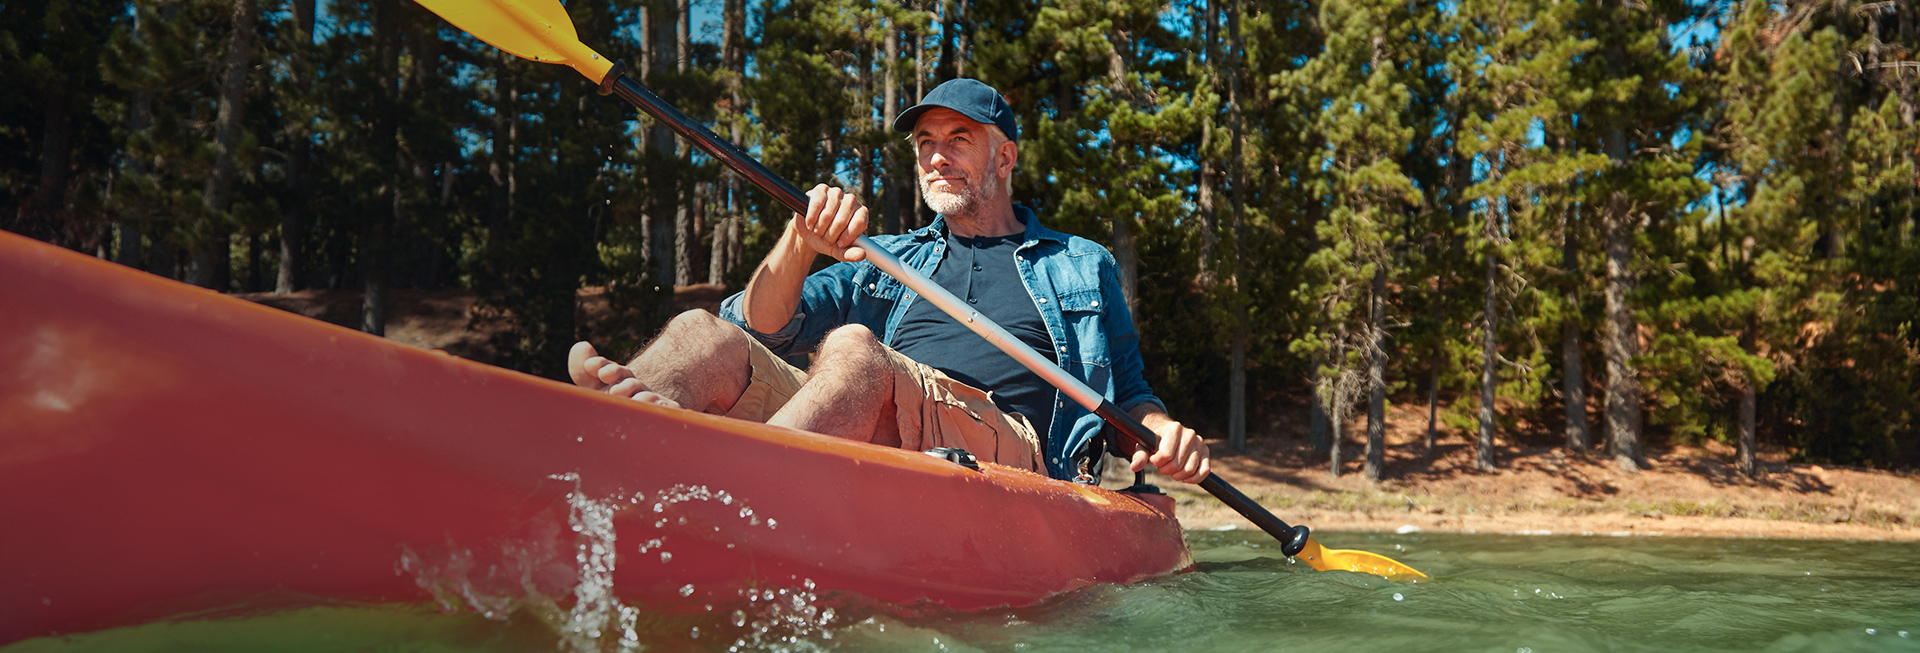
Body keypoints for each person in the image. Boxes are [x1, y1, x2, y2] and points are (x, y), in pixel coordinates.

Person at [567, 78, 1209, 485]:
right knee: (699, 332)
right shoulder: (888, 258)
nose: (936, 155)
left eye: (959, 138)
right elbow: (759, 328)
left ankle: (726, 490)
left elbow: (1125, 393)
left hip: (1011, 448)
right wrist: (800, 241)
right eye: (925, 142)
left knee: (852, 350)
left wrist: (1165, 432)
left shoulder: (1078, 261)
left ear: (1005, 157)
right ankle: (594, 466)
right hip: (871, 419)